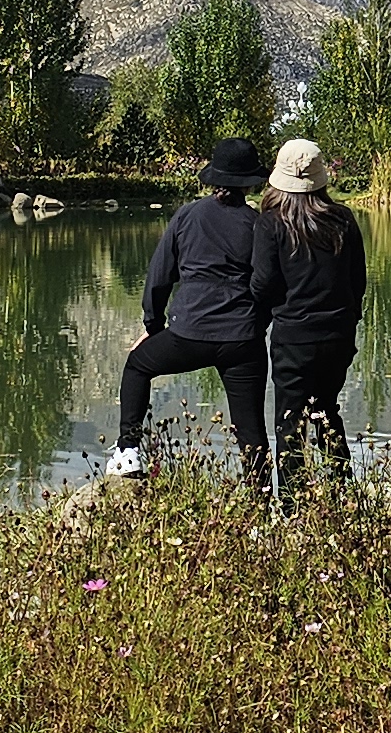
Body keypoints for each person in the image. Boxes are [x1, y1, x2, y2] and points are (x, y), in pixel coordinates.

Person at [114, 138, 279, 476]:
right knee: (251, 429)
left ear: (214, 177)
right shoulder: (258, 223)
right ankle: (261, 499)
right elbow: (267, 284)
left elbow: (159, 276)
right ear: (249, 182)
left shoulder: (188, 215)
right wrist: (256, 324)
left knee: (137, 366)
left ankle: (128, 451)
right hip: (242, 339)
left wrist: (153, 327)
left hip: (188, 333)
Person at [255, 137, 366, 499]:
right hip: (338, 335)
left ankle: (292, 507)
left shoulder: (272, 223)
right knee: (327, 412)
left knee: (290, 423)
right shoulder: (343, 219)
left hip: (294, 338)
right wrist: (349, 319)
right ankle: (342, 495)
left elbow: (262, 285)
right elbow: (358, 280)